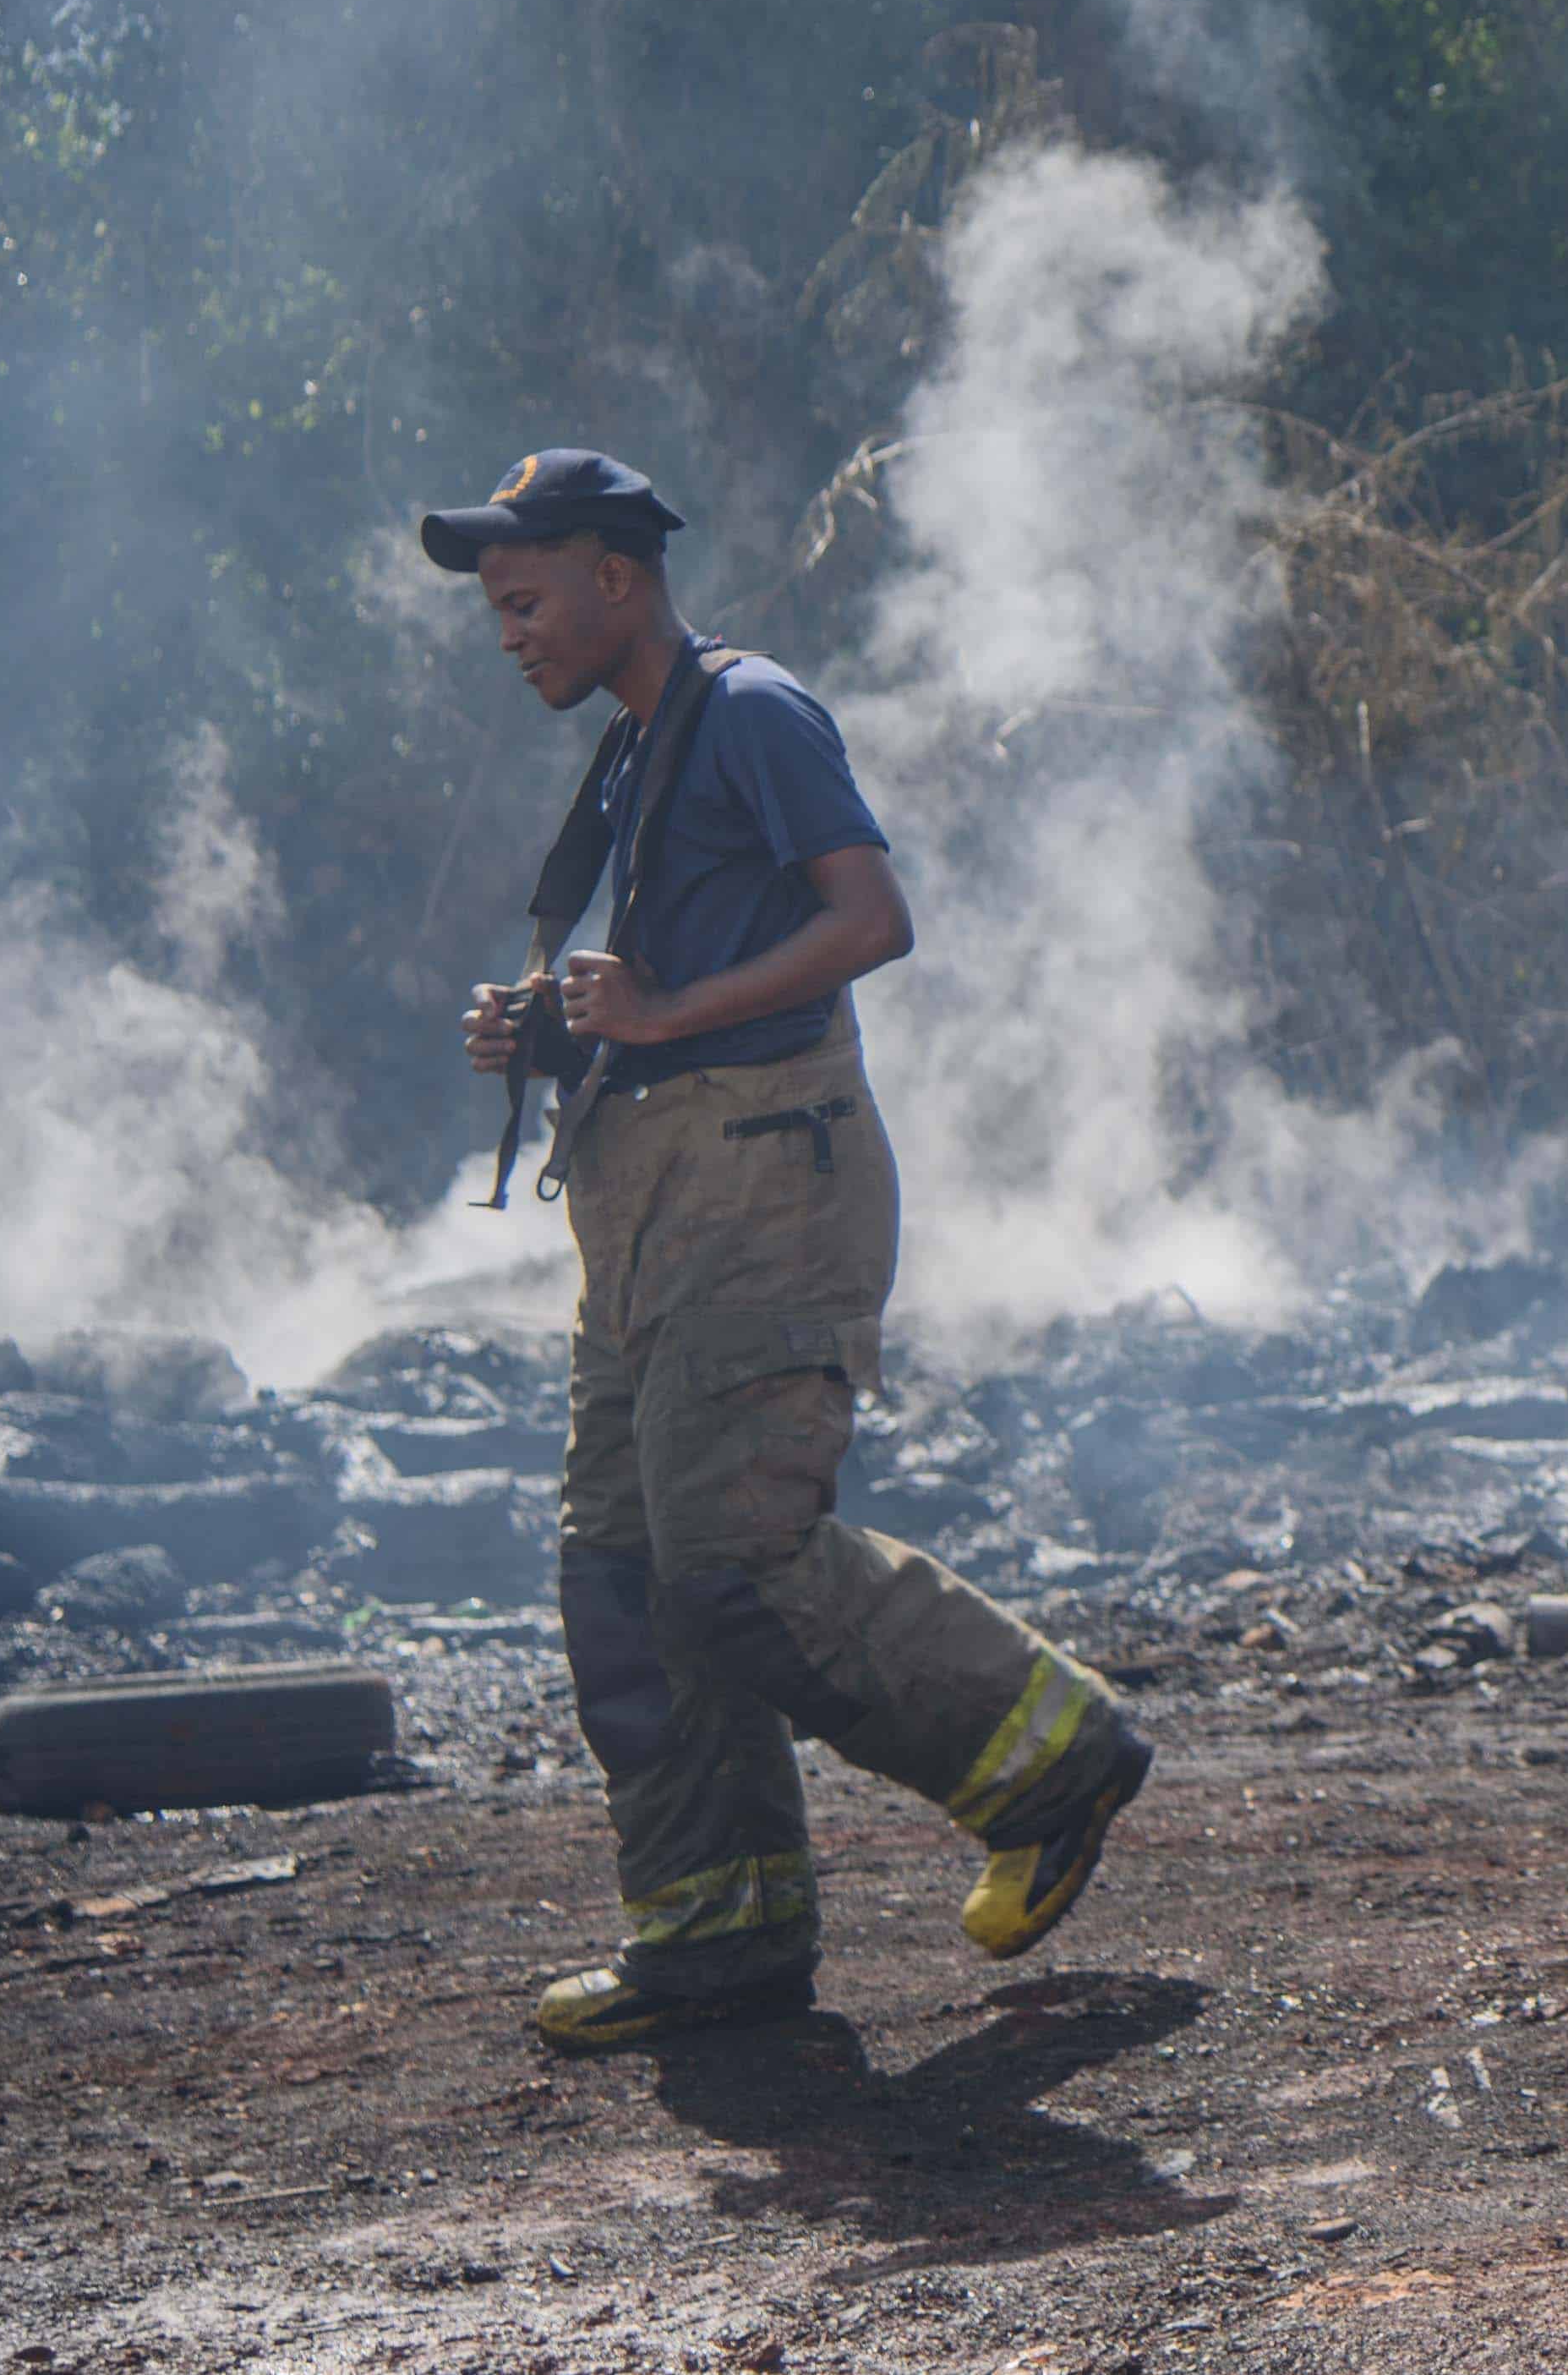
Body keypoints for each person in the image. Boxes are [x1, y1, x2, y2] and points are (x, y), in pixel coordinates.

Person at [434, 448, 1149, 2047]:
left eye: (527, 599)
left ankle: (1053, 1763)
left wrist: (665, 1009)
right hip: (648, 1216)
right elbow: (672, 982)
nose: (510, 634)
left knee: (733, 1559)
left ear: (619, 576)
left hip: (764, 1198)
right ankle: (717, 1936)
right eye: (497, 610)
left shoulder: (753, 711)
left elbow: (870, 919)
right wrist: (551, 1035)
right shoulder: (635, 753)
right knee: (620, 1581)